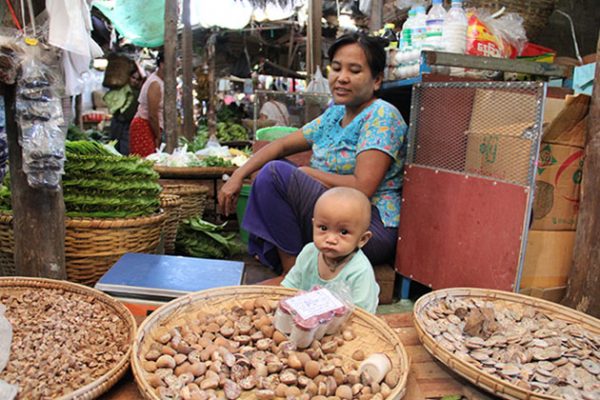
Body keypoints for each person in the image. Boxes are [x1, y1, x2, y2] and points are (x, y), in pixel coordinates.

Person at [218, 33, 408, 276]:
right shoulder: (335, 114)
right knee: (275, 165)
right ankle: (298, 271)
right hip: (331, 218)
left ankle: (294, 276)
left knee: (275, 173)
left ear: (377, 80)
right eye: (336, 68)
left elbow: (363, 187)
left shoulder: (382, 115)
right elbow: (281, 146)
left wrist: (308, 173)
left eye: (355, 70)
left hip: (365, 228)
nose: (342, 78)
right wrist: (238, 175)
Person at [281, 187, 380, 313]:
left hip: (344, 324)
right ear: (313, 225)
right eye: (323, 228)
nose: (331, 239)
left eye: (343, 232)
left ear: (362, 239)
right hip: (306, 320)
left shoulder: (360, 271)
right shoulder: (309, 253)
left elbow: (362, 315)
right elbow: (289, 287)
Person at [129, 51, 164, 157]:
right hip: (144, 128)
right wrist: (157, 136)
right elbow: (152, 115)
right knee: (147, 164)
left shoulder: (161, 81)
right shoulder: (155, 84)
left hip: (151, 127)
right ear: (162, 64)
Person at [106, 68, 144, 154]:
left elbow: (130, 111)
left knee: (124, 148)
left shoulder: (137, 93)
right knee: (114, 146)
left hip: (127, 124)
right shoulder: (121, 90)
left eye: (138, 79)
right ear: (129, 77)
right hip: (117, 122)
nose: (135, 81)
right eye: (133, 77)